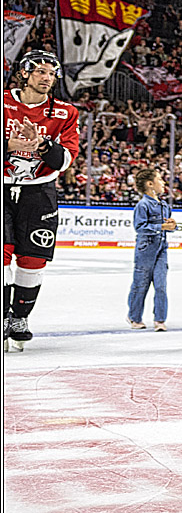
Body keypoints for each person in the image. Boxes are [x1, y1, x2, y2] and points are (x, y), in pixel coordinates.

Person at [3, 50, 80, 353]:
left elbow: (64, 161)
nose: (47, 78)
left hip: (39, 192)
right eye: (40, 72)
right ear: (24, 73)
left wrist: (43, 144)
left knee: (32, 261)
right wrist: (8, 144)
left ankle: (19, 318)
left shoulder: (66, 112)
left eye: (51, 73)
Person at [126, 168, 177, 331]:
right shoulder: (143, 205)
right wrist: (161, 226)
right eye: (160, 180)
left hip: (161, 249)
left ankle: (160, 319)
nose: (163, 183)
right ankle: (134, 317)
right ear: (150, 184)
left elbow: (167, 227)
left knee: (161, 285)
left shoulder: (164, 205)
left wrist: (172, 226)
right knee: (140, 285)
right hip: (145, 250)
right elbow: (140, 227)